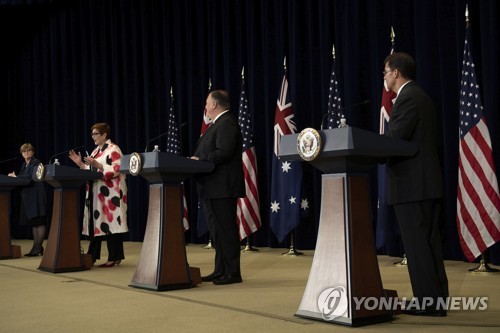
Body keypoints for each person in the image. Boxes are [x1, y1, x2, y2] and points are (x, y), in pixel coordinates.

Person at [383, 52, 449, 316]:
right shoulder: (420, 96)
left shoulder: (409, 98)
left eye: (386, 72)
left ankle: (428, 303)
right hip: (423, 185)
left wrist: (373, 150)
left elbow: (396, 139)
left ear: (396, 73)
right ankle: (437, 298)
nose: (385, 77)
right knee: (428, 243)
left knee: (418, 244)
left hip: (413, 186)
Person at [191, 90, 245, 285]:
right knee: (217, 231)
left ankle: (233, 273)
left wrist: (200, 159)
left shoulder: (227, 122)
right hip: (212, 187)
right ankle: (220, 269)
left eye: (207, 103)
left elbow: (225, 152)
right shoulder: (217, 124)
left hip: (222, 187)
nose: (205, 107)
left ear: (214, 104)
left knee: (226, 230)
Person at [69, 123, 128, 268]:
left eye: (96, 134)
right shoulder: (96, 151)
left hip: (111, 194)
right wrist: (81, 165)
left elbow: (116, 169)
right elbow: (92, 170)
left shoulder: (113, 149)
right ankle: (92, 256)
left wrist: (98, 165)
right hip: (97, 193)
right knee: (97, 225)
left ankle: (114, 257)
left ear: (104, 135)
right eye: (92, 134)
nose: (93, 136)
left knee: (112, 225)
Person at [8, 143, 47, 256]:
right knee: (34, 223)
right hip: (29, 198)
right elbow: (22, 178)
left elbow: (30, 178)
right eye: (24, 151)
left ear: (33, 152)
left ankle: (37, 247)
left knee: (39, 222)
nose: (26, 153)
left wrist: (16, 177)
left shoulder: (36, 163)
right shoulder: (24, 165)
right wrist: (15, 177)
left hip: (37, 196)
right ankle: (36, 247)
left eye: (28, 150)